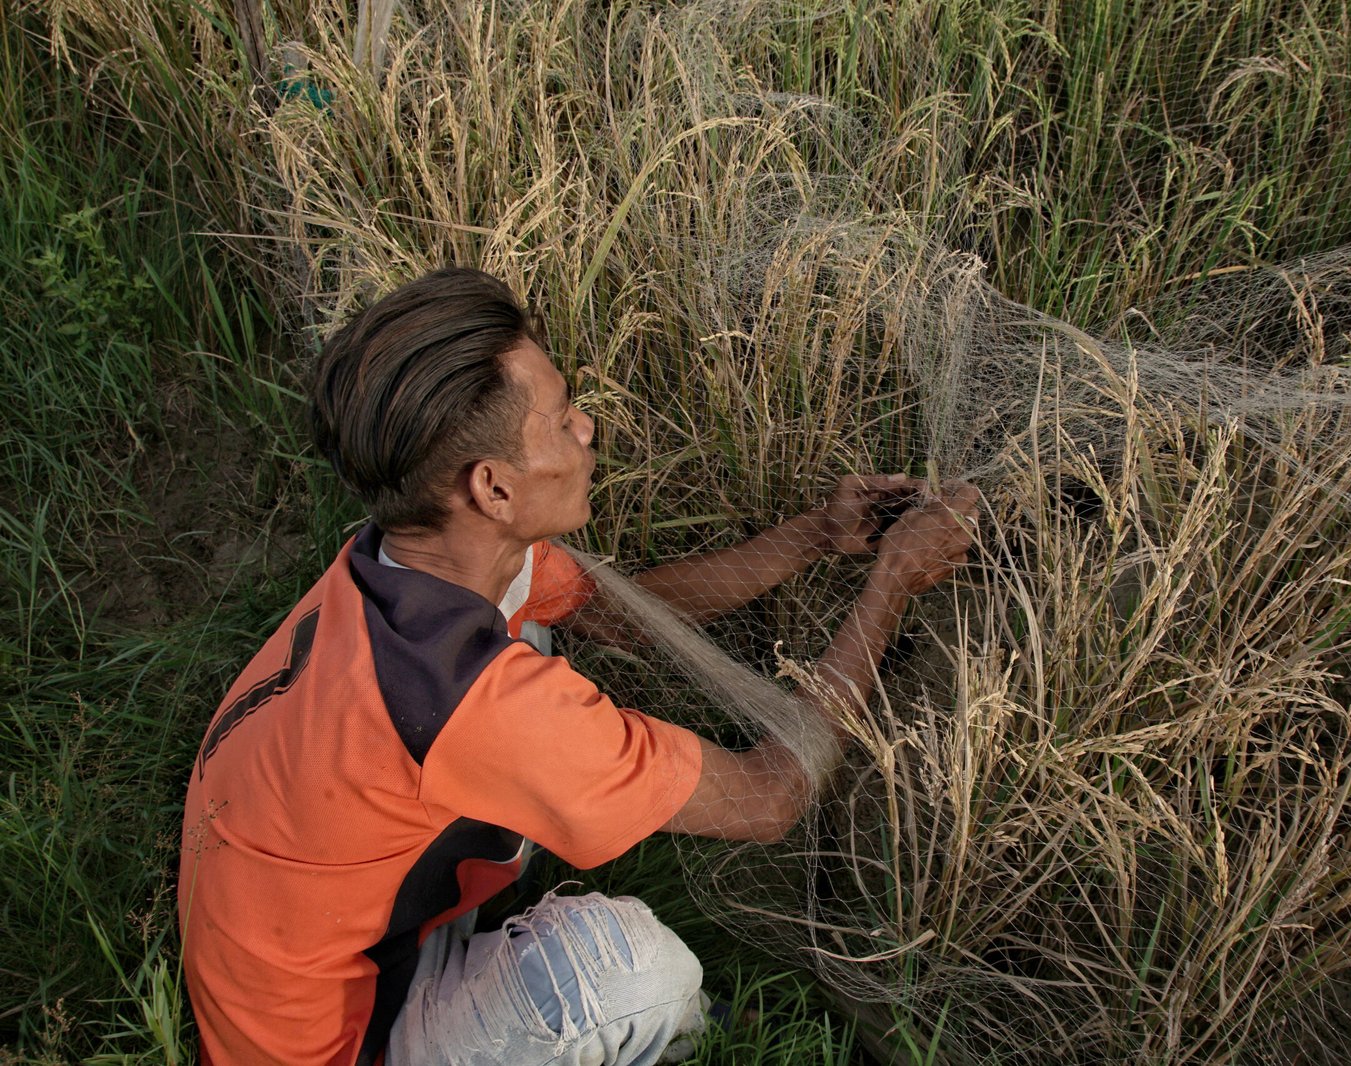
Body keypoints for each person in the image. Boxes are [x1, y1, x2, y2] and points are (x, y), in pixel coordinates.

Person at [177, 267, 978, 1065]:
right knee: (630, 970)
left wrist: (817, 535)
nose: (588, 429)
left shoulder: (398, 571)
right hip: (334, 1047)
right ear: (492, 489)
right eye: (560, 422)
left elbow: (621, 613)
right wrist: (891, 585)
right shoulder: (481, 704)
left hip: (309, 945)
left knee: (536, 623)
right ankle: (708, 1044)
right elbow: (772, 797)